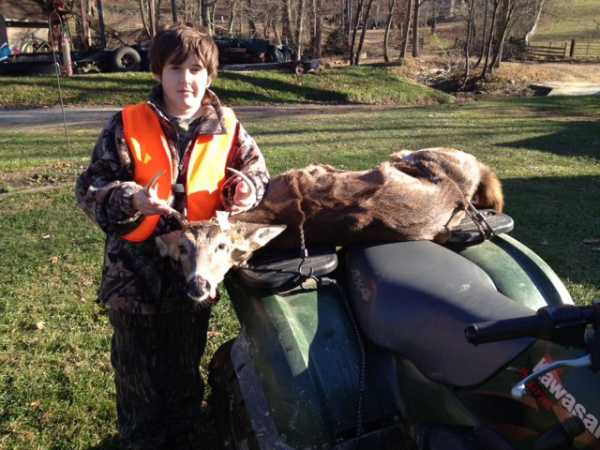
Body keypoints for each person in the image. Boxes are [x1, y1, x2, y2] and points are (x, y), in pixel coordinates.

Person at [76, 24, 269, 450]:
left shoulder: (228, 126)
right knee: (138, 381)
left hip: (196, 278)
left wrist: (248, 189)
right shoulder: (125, 124)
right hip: (135, 278)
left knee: (185, 373)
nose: (187, 80)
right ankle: (143, 440)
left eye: (196, 69)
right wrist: (130, 198)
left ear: (210, 75)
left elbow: (258, 174)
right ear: (158, 73)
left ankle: (185, 435)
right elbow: (90, 188)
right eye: (175, 68)